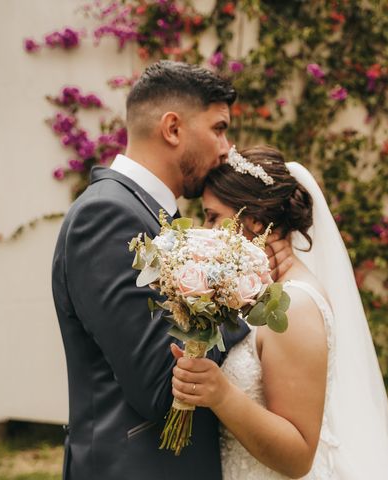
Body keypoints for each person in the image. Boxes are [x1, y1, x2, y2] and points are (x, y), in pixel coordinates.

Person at [51, 62, 292, 480]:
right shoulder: (107, 216)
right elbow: (161, 384)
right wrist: (244, 291)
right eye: (219, 128)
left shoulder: (151, 214)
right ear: (173, 129)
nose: (226, 148)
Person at [171, 145, 388, 479]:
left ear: (254, 220)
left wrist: (221, 394)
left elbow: (298, 456)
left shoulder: (294, 307)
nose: (206, 230)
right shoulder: (257, 292)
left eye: (212, 217)